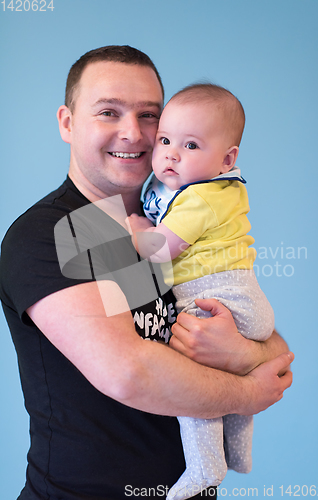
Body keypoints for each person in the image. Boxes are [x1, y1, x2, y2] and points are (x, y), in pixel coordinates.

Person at [0, 45, 293, 500]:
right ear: (67, 122)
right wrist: (247, 391)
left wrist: (238, 351)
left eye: (149, 115)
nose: (132, 133)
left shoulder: (163, 224)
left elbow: (273, 350)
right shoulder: (54, 231)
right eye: (108, 112)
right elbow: (130, 372)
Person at [126, 83, 275, 499]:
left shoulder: (201, 198)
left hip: (215, 296)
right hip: (246, 301)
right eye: (166, 141)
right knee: (229, 371)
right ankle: (238, 453)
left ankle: (207, 465)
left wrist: (136, 230)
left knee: (193, 380)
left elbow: (159, 252)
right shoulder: (213, 187)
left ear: (227, 159)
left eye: (190, 145)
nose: (171, 153)